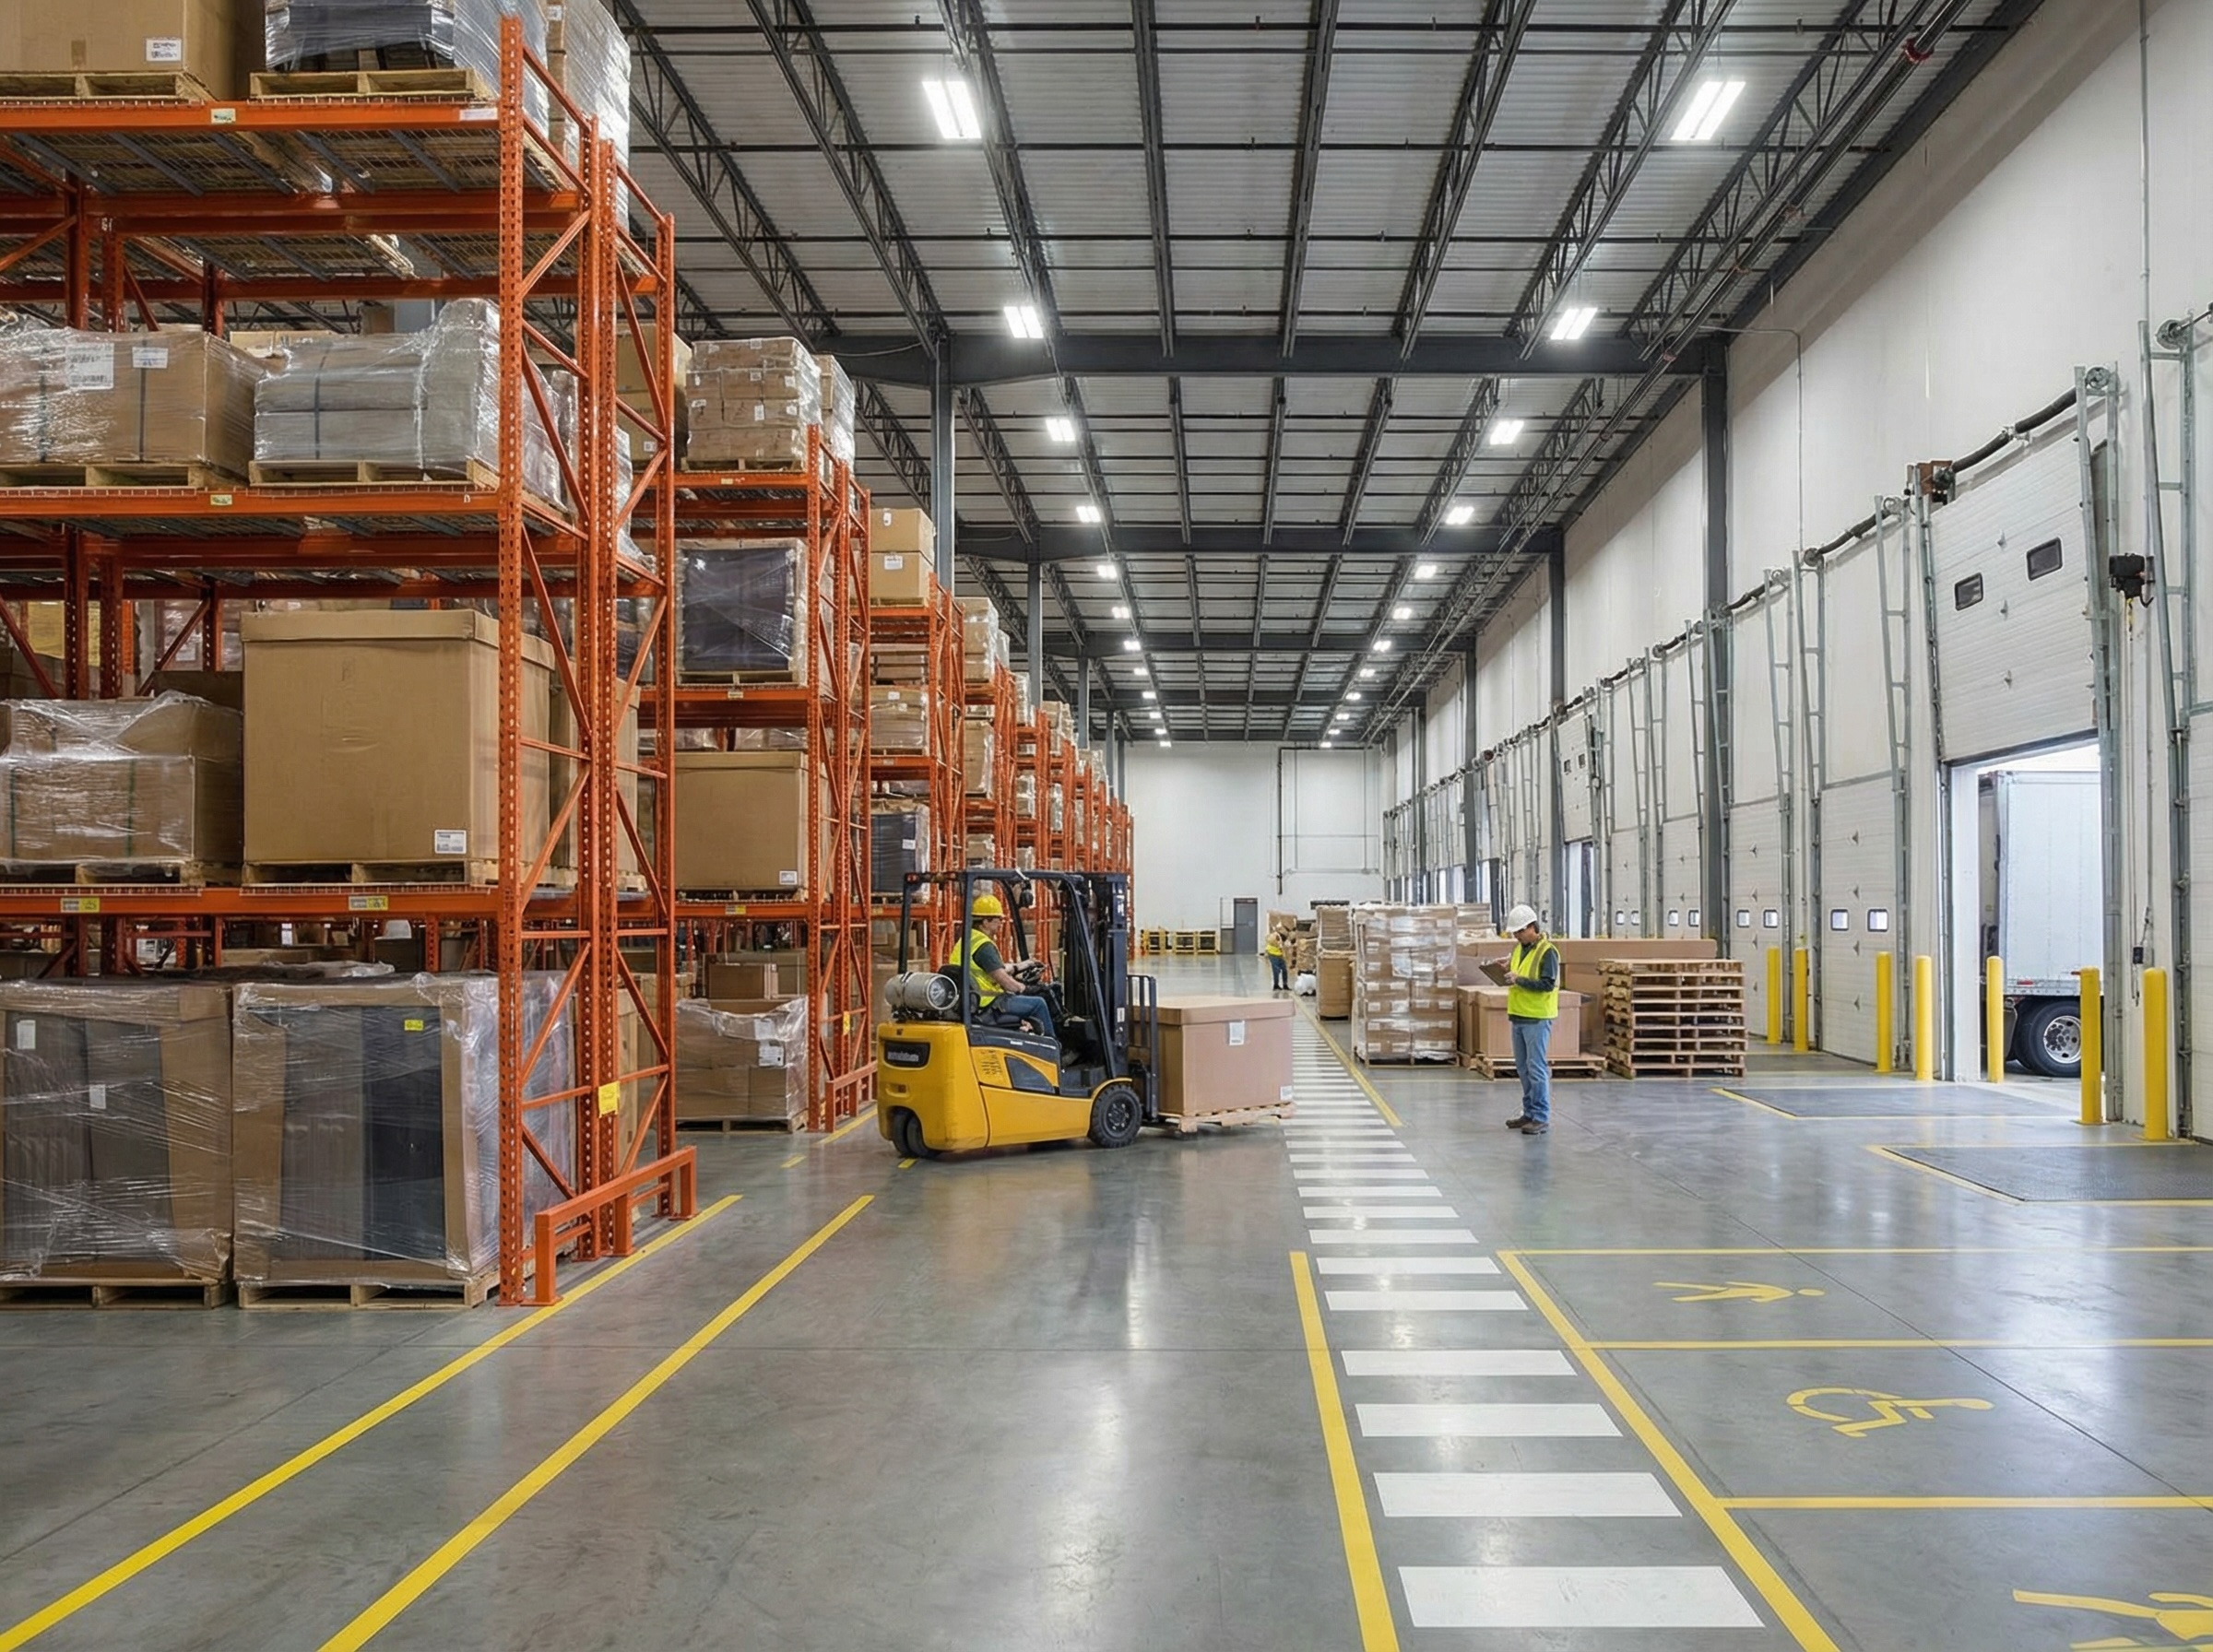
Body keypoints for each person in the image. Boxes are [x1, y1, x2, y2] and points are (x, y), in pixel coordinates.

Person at [944, 891, 1058, 1043]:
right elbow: (1006, 982)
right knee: (1039, 1003)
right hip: (988, 1004)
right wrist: (1027, 989)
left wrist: (1022, 966)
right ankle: (1055, 1047)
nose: (1001, 923)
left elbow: (994, 970)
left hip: (971, 1001)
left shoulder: (969, 939)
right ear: (985, 922)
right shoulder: (984, 946)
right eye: (997, 919)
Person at [1500, 903, 1560, 1136]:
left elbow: (1547, 984)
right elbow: (1518, 970)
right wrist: (1505, 968)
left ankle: (1541, 1117)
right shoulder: (1518, 949)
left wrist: (1519, 979)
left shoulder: (1548, 952)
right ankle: (1529, 1114)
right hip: (1518, 1015)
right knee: (1523, 1069)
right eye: (1514, 933)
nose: (1516, 936)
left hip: (1536, 1018)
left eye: (1519, 932)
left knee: (1536, 1069)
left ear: (1532, 927)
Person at [1264, 926, 1289, 991]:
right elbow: (1275, 943)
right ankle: (1276, 985)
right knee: (1276, 970)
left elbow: (1281, 947)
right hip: (1272, 954)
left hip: (1279, 954)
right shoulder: (1274, 937)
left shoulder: (1280, 938)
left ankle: (1285, 984)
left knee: (1284, 969)